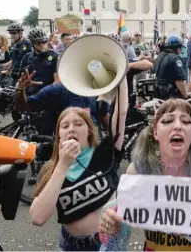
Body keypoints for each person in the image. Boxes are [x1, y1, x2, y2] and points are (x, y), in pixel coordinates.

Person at [97, 99, 191, 251]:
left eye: (186, 121)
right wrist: (111, 225)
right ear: (155, 132)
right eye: (168, 121)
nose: (177, 126)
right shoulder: (138, 171)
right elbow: (118, 229)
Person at [29, 77, 128, 251]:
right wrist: (62, 165)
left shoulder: (103, 154)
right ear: (58, 135)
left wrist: (122, 77)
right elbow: (37, 217)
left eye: (78, 124)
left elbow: (120, 114)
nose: (71, 129)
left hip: (108, 243)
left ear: (89, 130)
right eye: (65, 126)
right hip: (71, 246)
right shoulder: (51, 169)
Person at [19, 28, 59, 96]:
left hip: (49, 94)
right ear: (32, 43)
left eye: (44, 41)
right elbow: (21, 79)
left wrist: (48, 93)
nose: (42, 44)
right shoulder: (27, 57)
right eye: (38, 42)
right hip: (30, 94)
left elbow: (57, 80)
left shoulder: (54, 56)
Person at [152, 35, 187, 99]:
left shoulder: (160, 56)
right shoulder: (176, 59)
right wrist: (185, 96)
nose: (181, 50)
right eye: (180, 47)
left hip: (158, 93)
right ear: (177, 47)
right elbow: (179, 82)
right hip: (170, 95)